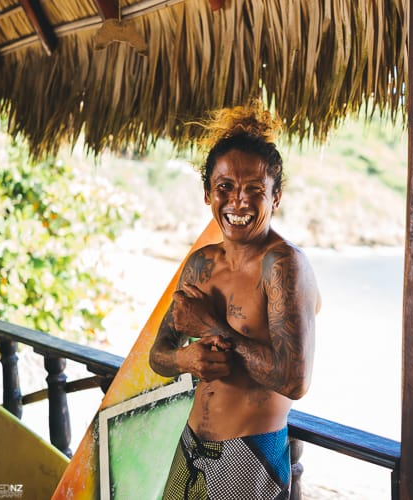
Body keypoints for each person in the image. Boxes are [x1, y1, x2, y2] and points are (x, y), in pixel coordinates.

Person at [149, 102, 321, 500]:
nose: (238, 202)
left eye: (254, 190)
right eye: (224, 187)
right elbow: (159, 354)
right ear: (208, 192)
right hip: (190, 445)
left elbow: (295, 380)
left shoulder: (283, 266)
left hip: (248, 457)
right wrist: (184, 361)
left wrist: (210, 329)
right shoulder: (201, 264)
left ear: (276, 198)